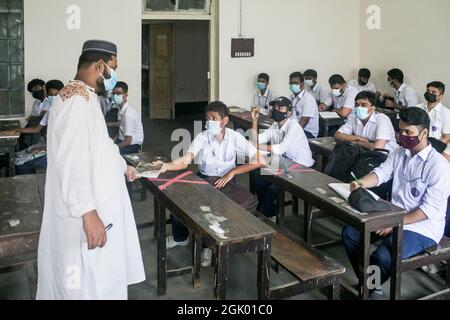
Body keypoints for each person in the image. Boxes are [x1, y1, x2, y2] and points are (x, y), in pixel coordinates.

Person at [36, 40, 145, 300]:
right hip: (83, 214)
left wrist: (124, 167)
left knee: (99, 280)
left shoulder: (84, 96)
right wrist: (88, 212)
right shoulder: (75, 101)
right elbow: (72, 160)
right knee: (86, 283)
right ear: (100, 65)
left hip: (97, 205)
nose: (114, 77)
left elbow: (102, 145)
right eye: (113, 68)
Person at [342, 107, 450, 299]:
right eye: (401, 131)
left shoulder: (439, 165)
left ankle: (368, 286)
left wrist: (394, 223)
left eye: (409, 132)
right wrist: (360, 182)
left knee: (384, 255)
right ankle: (371, 285)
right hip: (392, 214)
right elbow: (381, 173)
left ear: (424, 133)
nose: (403, 136)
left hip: (423, 226)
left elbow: (428, 210)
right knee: (351, 234)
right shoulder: (400, 152)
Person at [154, 101, 265, 267]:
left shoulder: (235, 137)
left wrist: (233, 172)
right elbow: (184, 161)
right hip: (205, 179)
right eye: (207, 118)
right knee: (180, 206)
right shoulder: (202, 137)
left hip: (226, 182)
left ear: (225, 121)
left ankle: (211, 244)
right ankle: (181, 238)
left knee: (242, 205)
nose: (209, 122)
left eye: (214, 118)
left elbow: (260, 160)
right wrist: (165, 166)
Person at [250, 97, 314, 218]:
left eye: (280, 108)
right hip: (285, 163)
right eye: (274, 107)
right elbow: (256, 139)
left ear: (289, 112)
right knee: (256, 175)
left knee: (274, 187)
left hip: (301, 166)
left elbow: (280, 149)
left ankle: (264, 214)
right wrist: (254, 120)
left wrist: (257, 146)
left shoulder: (294, 126)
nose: (276, 110)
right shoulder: (275, 125)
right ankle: (269, 211)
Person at [14, 80, 65, 175]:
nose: (53, 97)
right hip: (46, 144)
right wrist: (17, 130)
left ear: (62, 94)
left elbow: (64, 141)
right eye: (51, 95)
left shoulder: (67, 113)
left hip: (57, 153)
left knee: (19, 163)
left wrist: (43, 149)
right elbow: (37, 128)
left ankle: (29, 187)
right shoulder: (50, 111)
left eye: (56, 95)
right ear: (47, 94)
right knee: (17, 156)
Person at [111, 81, 144, 155]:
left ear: (125, 95)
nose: (115, 96)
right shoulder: (122, 110)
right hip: (124, 141)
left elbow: (127, 141)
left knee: (110, 155)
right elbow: (121, 131)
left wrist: (113, 148)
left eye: (118, 93)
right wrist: (112, 142)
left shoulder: (128, 115)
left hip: (132, 147)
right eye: (114, 93)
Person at [289, 72, 319, 138]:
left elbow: (305, 120)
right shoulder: (291, 97)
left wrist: (292, 134)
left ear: (302, 84)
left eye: (296, 83)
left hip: (307, 132)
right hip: (294, 128)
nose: (293, 85)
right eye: (291, 83)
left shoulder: (308, 99)